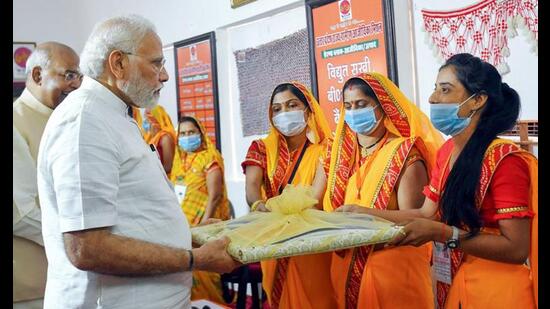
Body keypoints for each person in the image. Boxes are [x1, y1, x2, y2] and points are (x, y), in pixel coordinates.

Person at [36, 15, 239, 309]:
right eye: (156, 63)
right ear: (118, 64)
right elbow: (87, 248)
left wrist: (187, 236)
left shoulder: (114, 113)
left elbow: (132, 217)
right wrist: (195, 259)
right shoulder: (85, 122)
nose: (165, 75)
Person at [340, 54, 537, 308]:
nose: (433, 98)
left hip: (498, 290)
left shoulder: (504, 160)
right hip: (456, 282)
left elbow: (516, 249)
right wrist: (362, 214)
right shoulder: (447, 152)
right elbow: (427, 213)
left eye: (445, 90)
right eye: (435, 89)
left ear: (477, 100)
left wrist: (444, 234)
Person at [318, 72, 444, 308]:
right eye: (348, 106)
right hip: (345, 268)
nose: (354, 111)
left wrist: (363, 213)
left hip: (393, 273)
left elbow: (419, 219)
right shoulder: (338, 156)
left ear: (382, 106)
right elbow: (315, 200)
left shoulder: (405, 153)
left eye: (361, 104)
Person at [242, 82, 337, 309]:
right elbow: (252, 187)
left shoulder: (326, 148)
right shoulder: (261, 148)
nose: (283, 113)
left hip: (313, 239)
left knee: (318, 299)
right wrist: (258, 205)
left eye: (291, 105)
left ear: (307, 109)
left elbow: (316, 194)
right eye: (277, 109)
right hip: (276, 238)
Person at [13, 41, 81, 309]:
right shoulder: (17, 121)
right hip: (31, 285)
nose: (76, 84)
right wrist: (76, 242)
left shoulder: (68, 121)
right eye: (69, 75)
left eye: (79, 76)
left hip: (72, 274)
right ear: (38, 75)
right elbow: (19, 212)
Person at [170, 115, 231, 304]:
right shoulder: (179, 161)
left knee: (202, 273)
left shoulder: (209, 158)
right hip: (181, 230)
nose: (187, 137)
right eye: (183, 133)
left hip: (203, 230)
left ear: (201, 134)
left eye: (191, 132)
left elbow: (214, 196)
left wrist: (202, 229)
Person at [143, 105, 177, 176]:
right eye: (145, 119)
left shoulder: (165, 138)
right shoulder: (150, 137)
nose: (145, 123)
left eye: (148, 120)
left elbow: (168, 167)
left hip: (164, 179)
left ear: (157, 120)